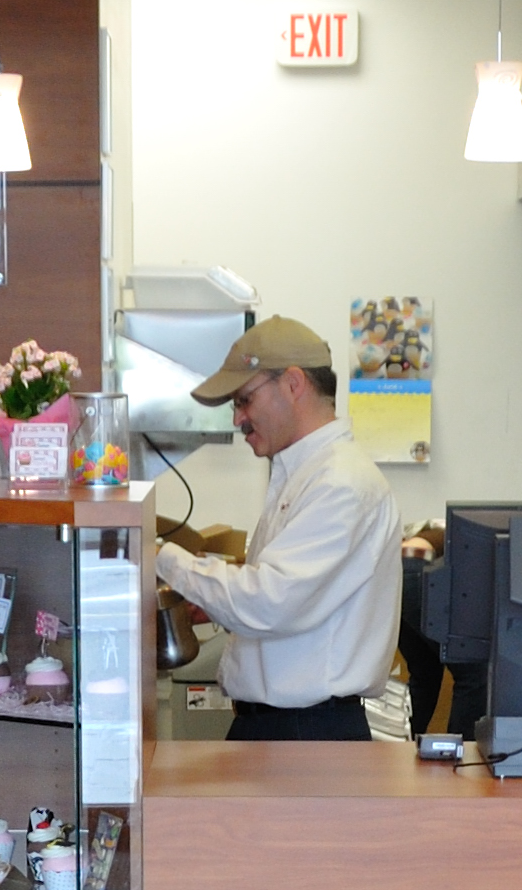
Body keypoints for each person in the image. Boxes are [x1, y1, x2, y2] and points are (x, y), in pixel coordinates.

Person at [153, 317, 403, 744]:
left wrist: (158, 554)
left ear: (292, 383)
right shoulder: (304, 474)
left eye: (244, 400)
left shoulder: (340, 483)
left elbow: (268, 602)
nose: (238, 419)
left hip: (309, 735)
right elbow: (293, 608)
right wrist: (218, 607)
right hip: (282, 726)